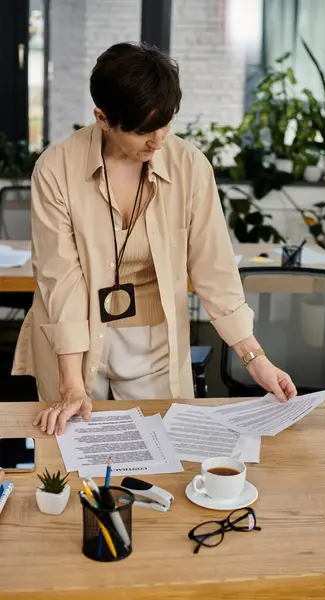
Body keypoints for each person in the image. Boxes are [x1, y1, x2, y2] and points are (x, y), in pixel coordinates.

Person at [12, 42, 297, 436]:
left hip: (154, 345)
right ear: (103, 118)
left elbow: (215, 270)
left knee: (164, 454)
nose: (158, 140)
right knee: (74, 453)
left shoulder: (190, 168)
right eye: (144, 129)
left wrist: (255, 358)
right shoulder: (56, 169)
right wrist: (72, 384)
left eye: (165, 122)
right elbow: (60, 282)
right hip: (72, 344)